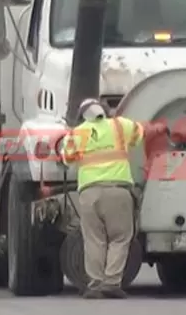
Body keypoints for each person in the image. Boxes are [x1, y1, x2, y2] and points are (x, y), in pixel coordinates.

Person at [60, 98, 164, 299]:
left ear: (82, 115)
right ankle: (111, 282)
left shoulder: (77, 133)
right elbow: (142, 131)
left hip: (89, 194)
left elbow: (66, 157)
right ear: (106, 111)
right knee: (120, 237)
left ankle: (95, 283)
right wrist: (160, 128)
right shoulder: (119, 125)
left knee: (94, 239)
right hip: (117, 191)